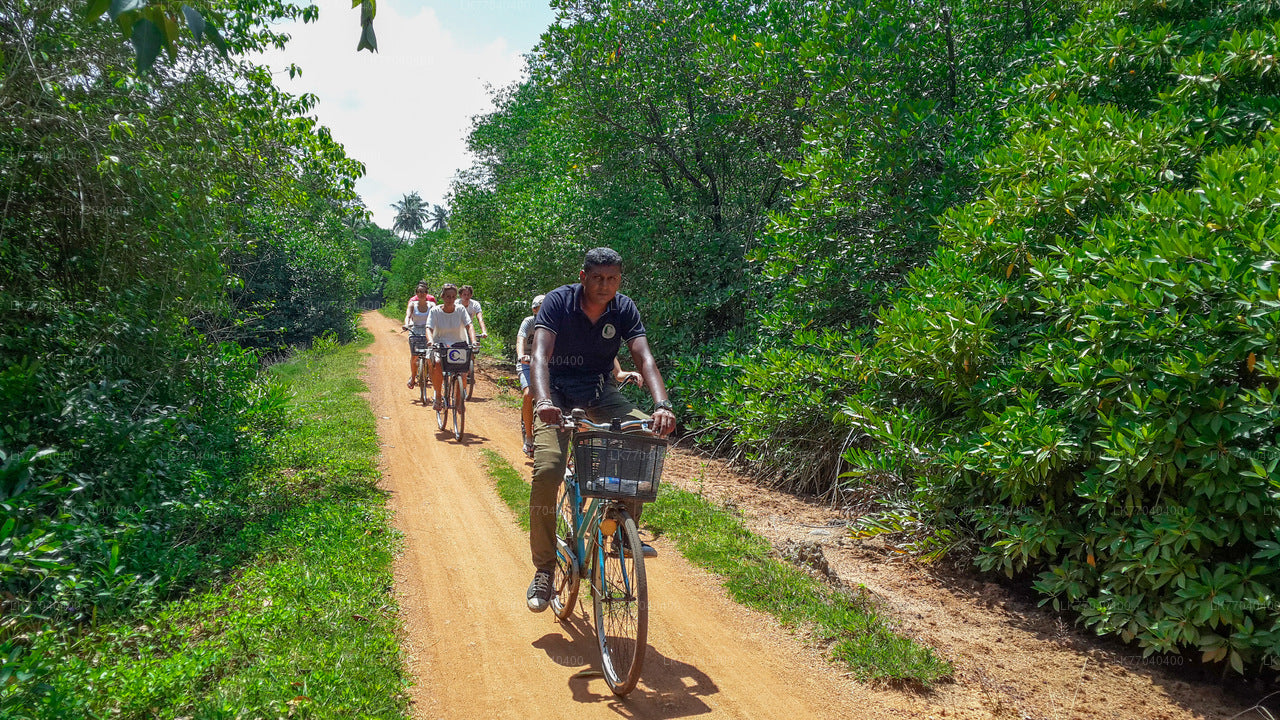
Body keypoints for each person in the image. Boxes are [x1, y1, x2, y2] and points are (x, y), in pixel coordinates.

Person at [525, 248, 676, 613]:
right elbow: (540, 356)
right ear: (583, 276)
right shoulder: (559, 303)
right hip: (556, 394)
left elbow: (644, 357)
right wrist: (544, 402)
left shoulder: (623, 308)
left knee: (643, 439)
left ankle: (621, 530)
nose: (604, 285)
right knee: (548, 471)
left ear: (619, 280)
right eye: (597, 278)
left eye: (612, 279)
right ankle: (544, 569)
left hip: (598, 389)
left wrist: (662, 405)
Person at [425, 284, 477, 410]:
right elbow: (429, 328)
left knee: (463, 372)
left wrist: (474, 341)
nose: (450, 299)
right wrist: (431, 341)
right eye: (448, 296)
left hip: (458, 344)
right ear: (442, 297)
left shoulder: (460, 310)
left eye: (453, 297)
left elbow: (469, 325)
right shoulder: (435, 311)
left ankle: (459, 399)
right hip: (440, 344)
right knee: (436, 363)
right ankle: (438, 395)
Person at [515, 294, 546, 458]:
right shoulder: (529, 322)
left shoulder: (554, 321)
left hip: (546, 361)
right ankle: (529, 436)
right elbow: (520, 339)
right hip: (527, 361)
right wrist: (521, 356)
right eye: (542, 307)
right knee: (529, 393)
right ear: (535, 309)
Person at [402, 282, 435, 389]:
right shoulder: (412, 304)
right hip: (415, 330)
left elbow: (436, 317)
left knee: (430, 356)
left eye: (423, 292)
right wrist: (406, 324)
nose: (421, 294)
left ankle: (433, 376)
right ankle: (412, 377)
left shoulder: (432, 305)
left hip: (428, 331)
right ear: (416, 293)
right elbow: (408, 315)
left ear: (427, 293)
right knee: (414, 355)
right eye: (419, 292)